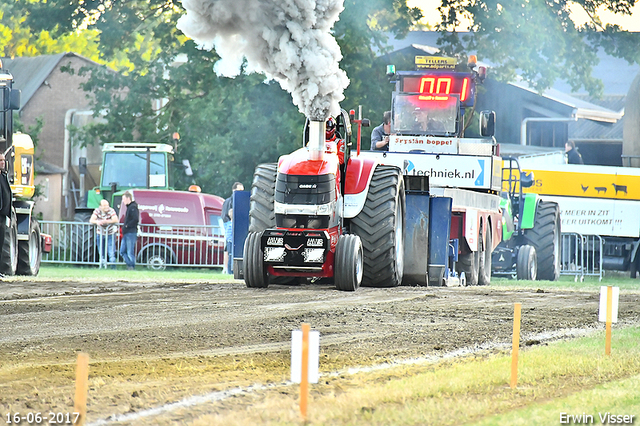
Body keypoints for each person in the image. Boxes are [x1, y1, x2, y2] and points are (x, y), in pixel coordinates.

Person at [222, 181, 244, 274]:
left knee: (229, 247)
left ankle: (227, 268)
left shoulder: (234, 200)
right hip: (230, 224)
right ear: (234, 190)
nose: (240, 192)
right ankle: (228, 269)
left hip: (231, 224)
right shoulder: (230, 201)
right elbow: (225, 215)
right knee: (229, 247)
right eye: (239, 190)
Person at [90, 199, 118, 269]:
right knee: (101, 251)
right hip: (100, 233)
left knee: (111, 251)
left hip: (110, 233)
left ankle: (112, 267)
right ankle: (102, 266)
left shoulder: (111, 210)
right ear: (100, 207)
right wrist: (97, 222)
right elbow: (91, 220)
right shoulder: (97, 211)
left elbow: (116, 220)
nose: (106, 207)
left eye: (107, 205)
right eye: (104, 206)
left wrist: (107, 222)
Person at [120, 191, 139, 270]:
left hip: (131, 232)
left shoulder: (133, 208)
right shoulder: (130, 207)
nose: (123, 201)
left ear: (128, 198)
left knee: (129, 252)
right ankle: (130, 264)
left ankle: (131, 266)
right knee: (122, 251)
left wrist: (127, 226)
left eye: (124, 199)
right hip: (127, 232)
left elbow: (135, 219)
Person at [0, 153, 12, 273]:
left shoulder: (4, 176)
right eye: (0, 160)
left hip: (3, 217)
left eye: (3, 160)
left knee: (1, 244)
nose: (2, 162)